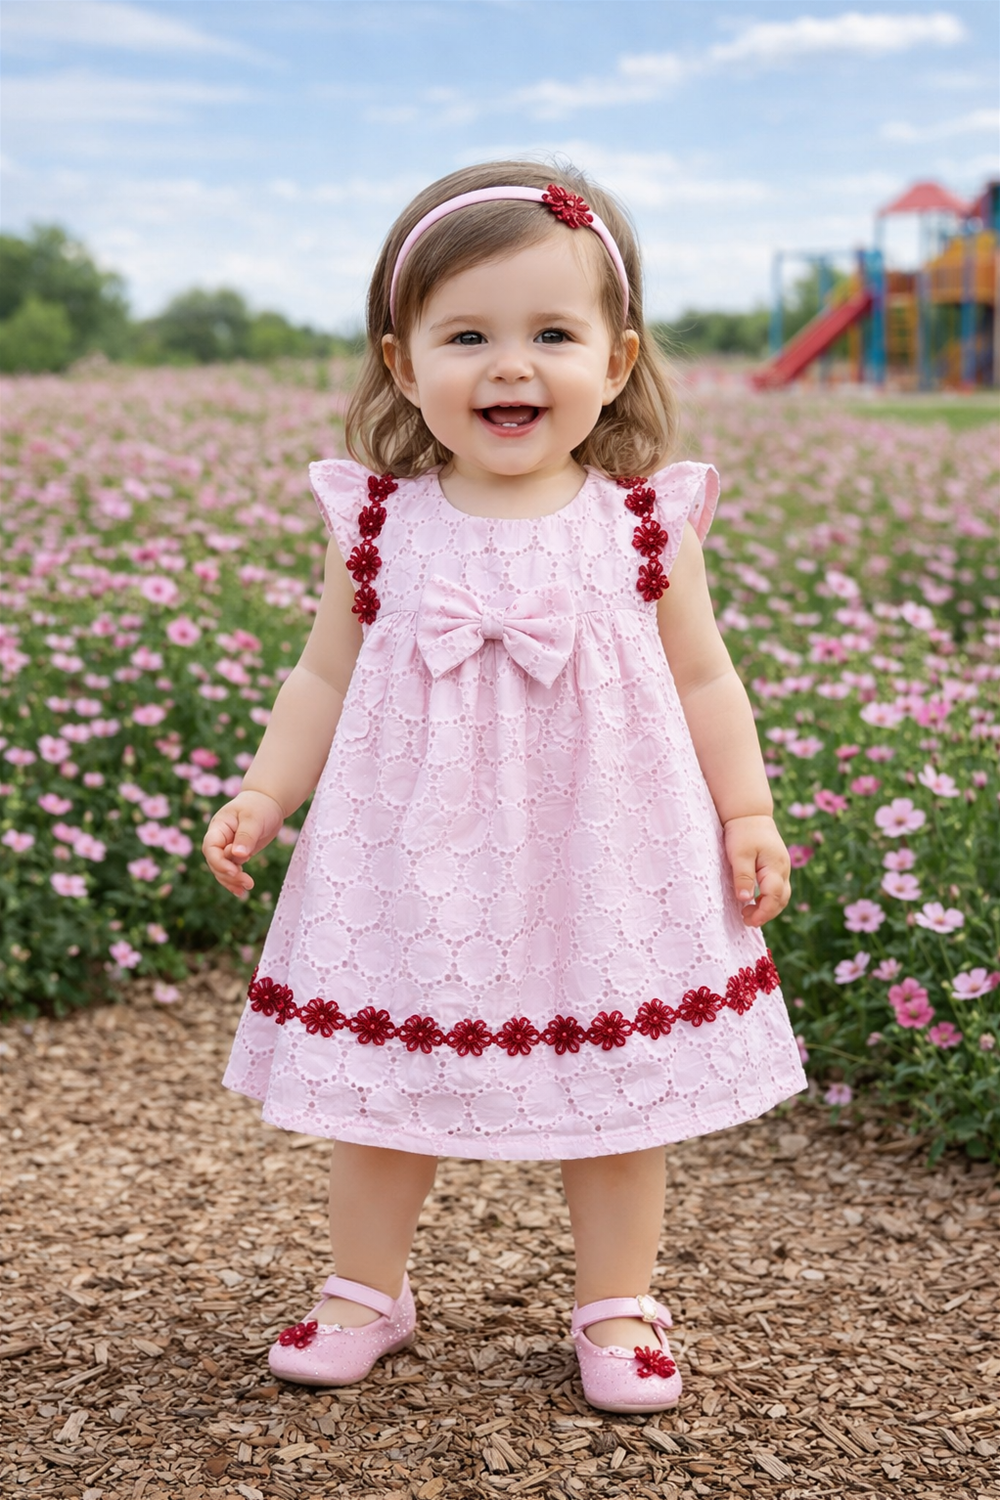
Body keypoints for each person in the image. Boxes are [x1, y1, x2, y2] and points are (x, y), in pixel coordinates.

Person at [203, 160, 807, 1414]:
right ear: (403, 361)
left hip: (604, 850)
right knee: (385, 1091)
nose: (509, 366)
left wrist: (745, 810)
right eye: (466, 334)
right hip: (413, 854)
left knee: (617, 1098)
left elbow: (705, 682)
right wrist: (265, 793)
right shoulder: (380, 523)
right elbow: (324, 675)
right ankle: (367, 1289)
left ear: (619, 357)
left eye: (551, 334)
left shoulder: (642, 525)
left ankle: (616, 1302)